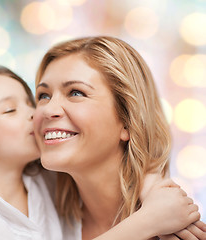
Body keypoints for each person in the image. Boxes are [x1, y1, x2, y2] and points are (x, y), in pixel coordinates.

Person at [0, 65, 202, 240]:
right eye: (11, 110)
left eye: (32, 102)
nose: (37, 114)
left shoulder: (43, 179)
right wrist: (148, 221)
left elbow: (119, 160)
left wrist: (151, 188)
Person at [33, 36, 206, 239]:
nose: (48, 110)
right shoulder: (35, 215)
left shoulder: (177, 230)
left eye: (76, 93)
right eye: (43, 96)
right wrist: (148, 220)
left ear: (127, 121)